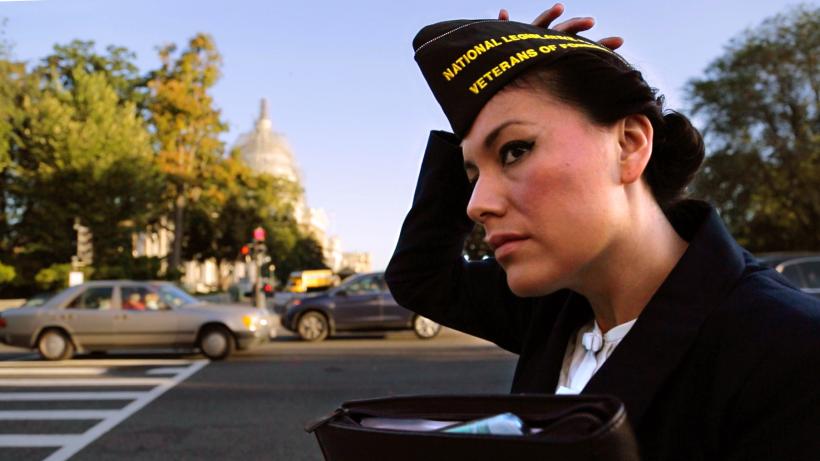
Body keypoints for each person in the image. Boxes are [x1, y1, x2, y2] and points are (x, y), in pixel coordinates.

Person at [385, 6, 820, 461]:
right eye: (472, 173)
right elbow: (422, 278)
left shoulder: (789, 354)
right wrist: (482, 104)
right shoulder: (557, 309)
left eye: (515, 150)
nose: (476, 205)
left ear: (629, 144)